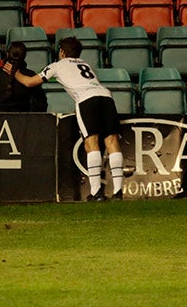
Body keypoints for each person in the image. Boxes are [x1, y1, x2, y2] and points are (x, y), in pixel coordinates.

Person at [15, 36, 124, 201]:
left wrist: (14, 72)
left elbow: (30, 82)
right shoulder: (85, 64)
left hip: (86, 99)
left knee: (91, 142)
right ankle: (118, 192)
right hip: (106, 96)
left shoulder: (57, 66)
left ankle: (96, 192)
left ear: (62, 52)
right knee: (112, 141)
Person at [0, 42, 48, 112]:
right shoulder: (30, 75)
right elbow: (41, 104)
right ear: (24, 56)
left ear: (7, 54)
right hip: (21, 120)